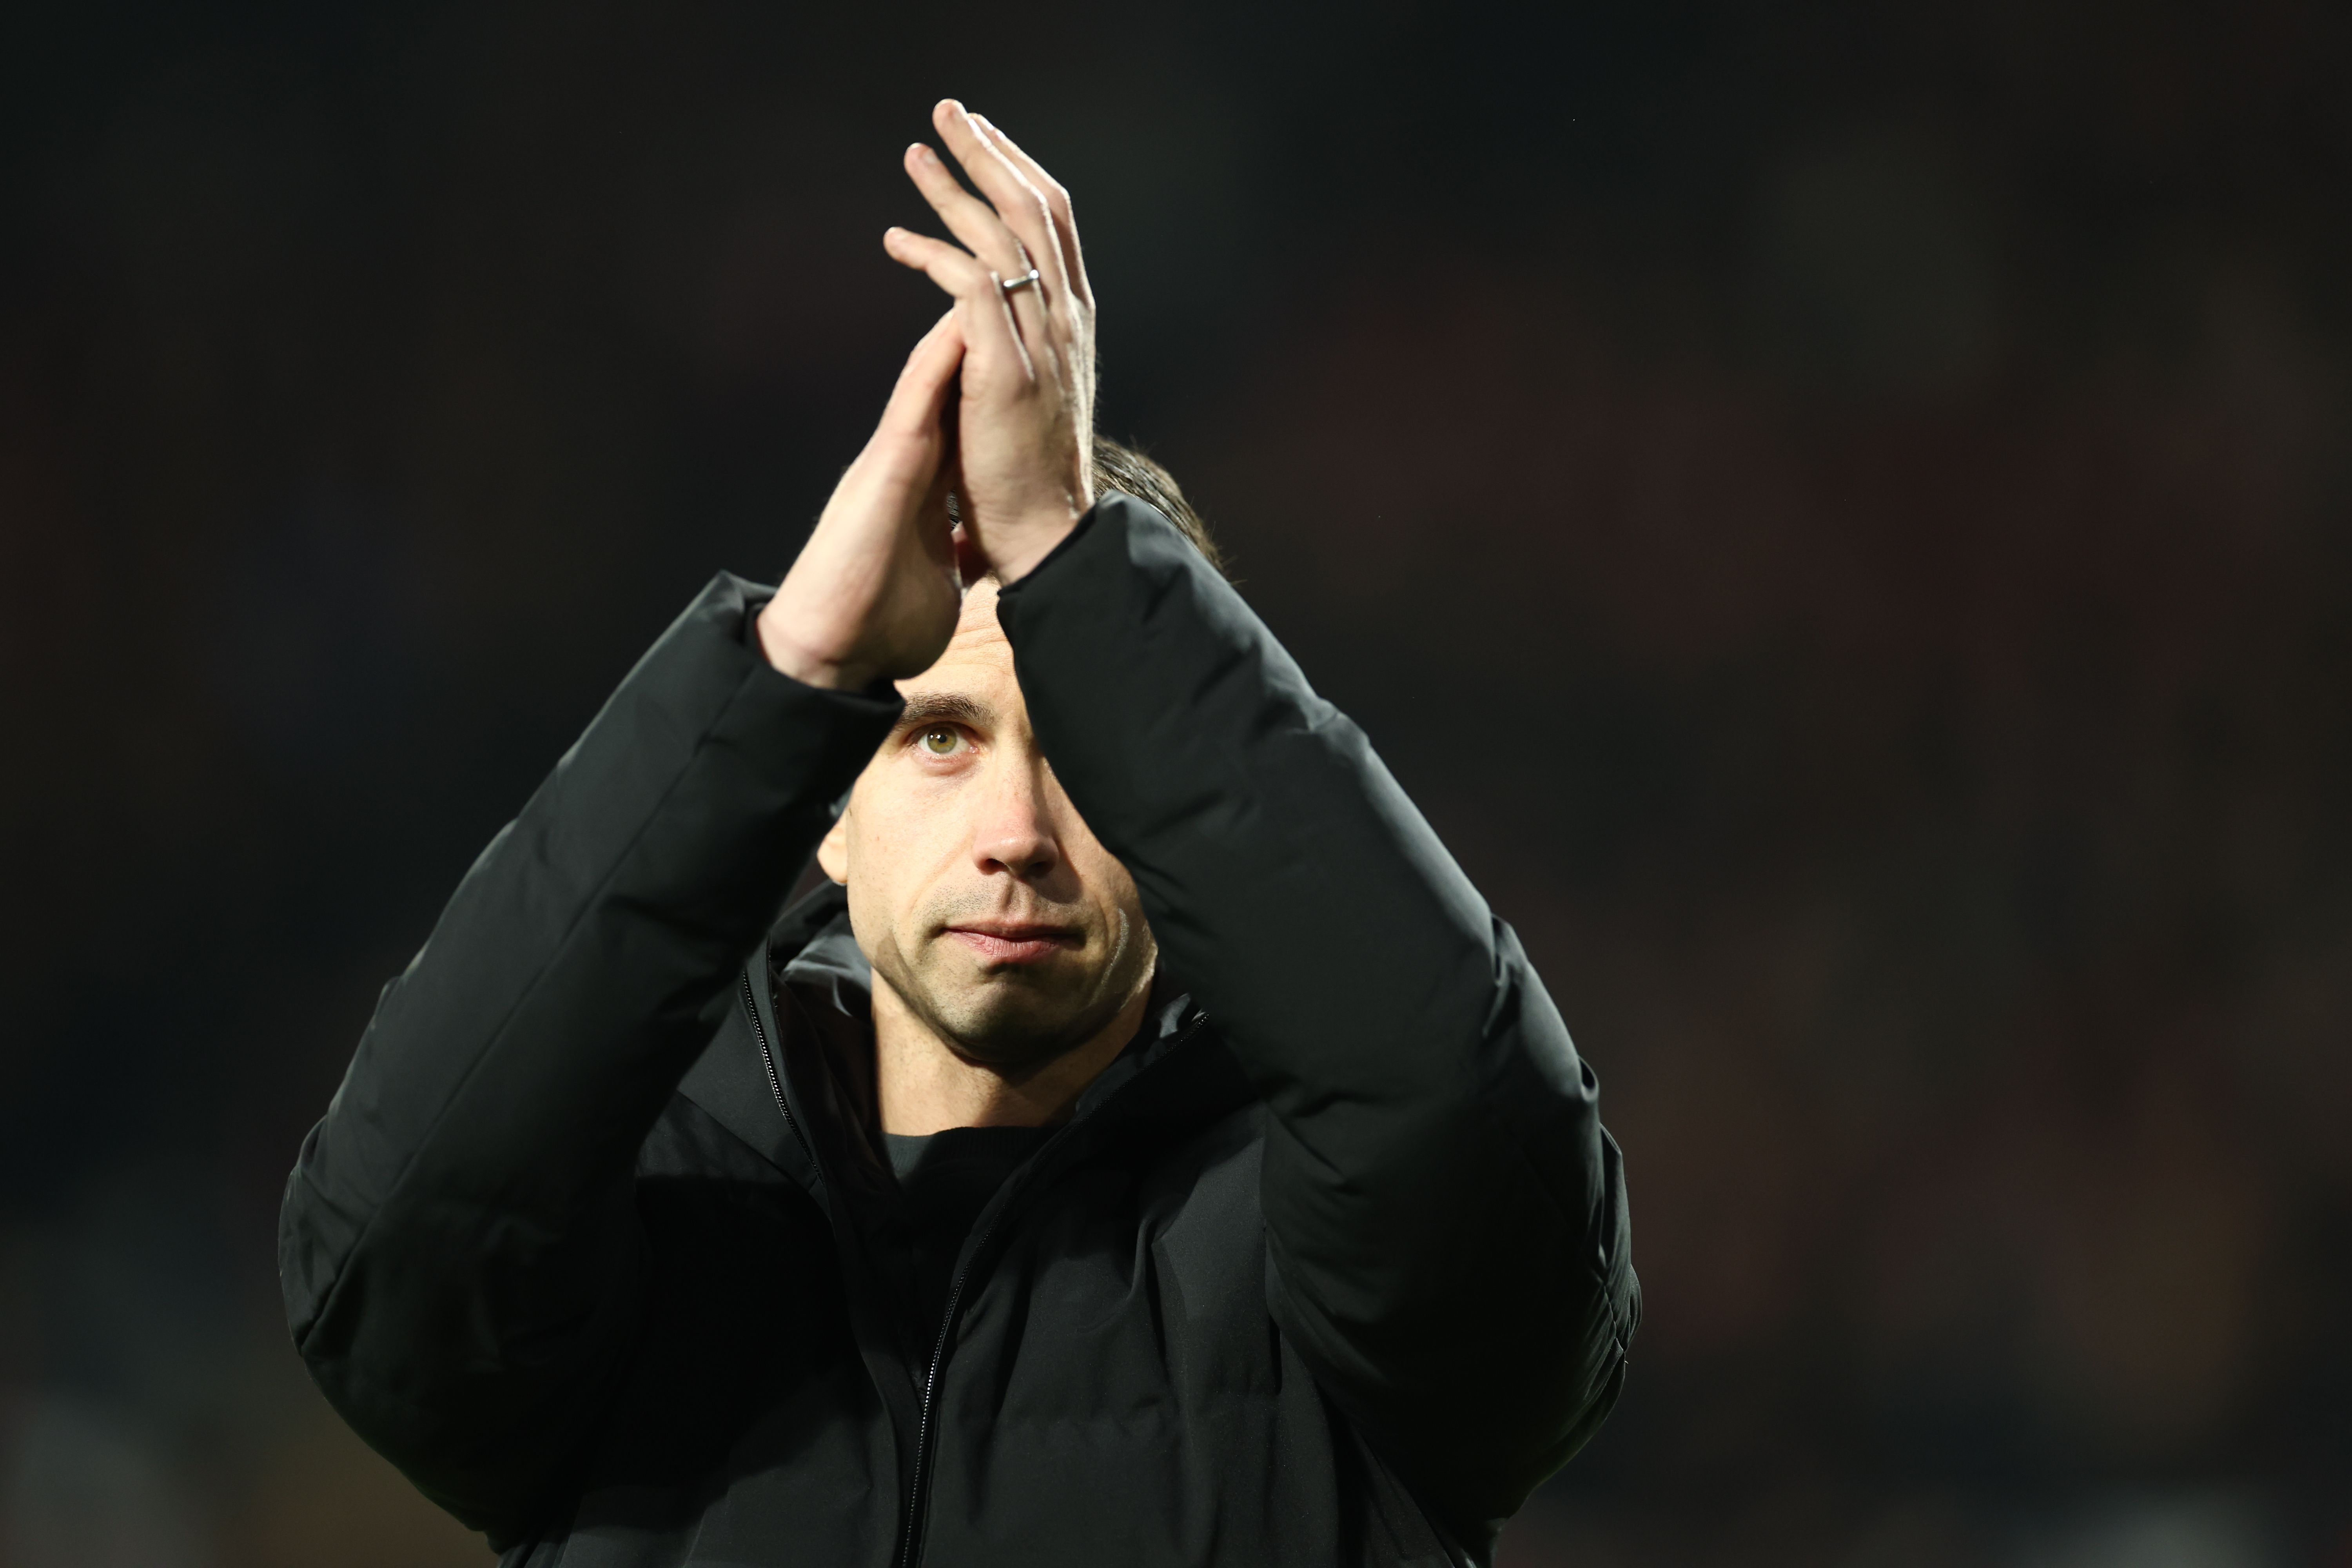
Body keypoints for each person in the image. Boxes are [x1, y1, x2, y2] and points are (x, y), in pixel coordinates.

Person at [278, 99, 1638, 1568]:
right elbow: (386, 1263)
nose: (1018, 835)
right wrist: (788, 668)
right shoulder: (636, 1227)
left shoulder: (1323, 1260)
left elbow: (1470, 1129)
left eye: (1091, 760)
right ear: (827, 812)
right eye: (938, 735)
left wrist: (1075, 563)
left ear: (1180, 820)